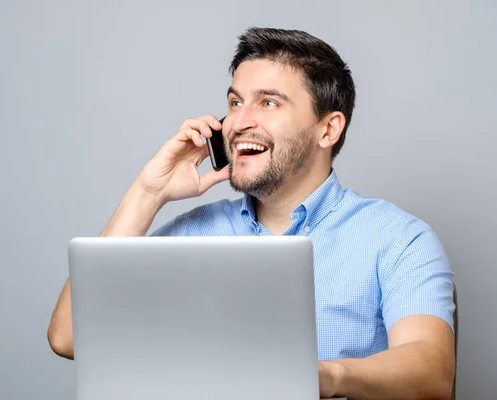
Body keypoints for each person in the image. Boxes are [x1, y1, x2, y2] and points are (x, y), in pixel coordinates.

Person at [48, 27, 456, 399]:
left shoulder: (398, 238)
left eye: (268, 103)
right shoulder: (190, 235)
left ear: (328, 130)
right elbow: (69, 337)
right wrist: (148, 192)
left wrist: (322, 379)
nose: (239, 122)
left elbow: (432, 371)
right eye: (235, 102)